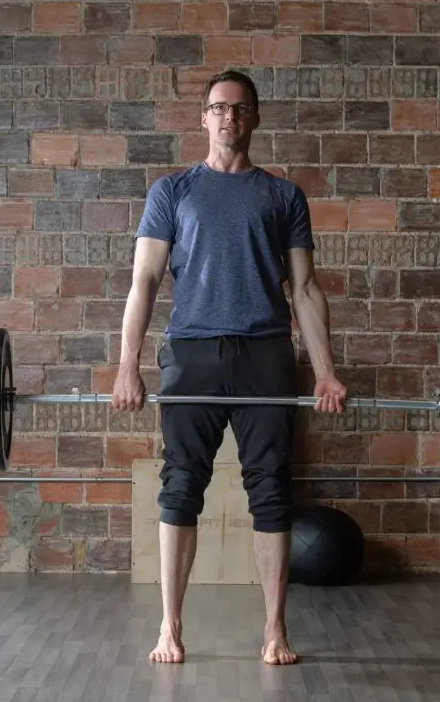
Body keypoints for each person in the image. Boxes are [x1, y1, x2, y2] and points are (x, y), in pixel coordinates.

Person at [110, 70, 347, 666]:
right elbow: (143, 281)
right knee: (181, 485)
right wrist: (127, 366)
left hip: (265, 354)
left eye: (240, 109)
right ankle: (170, 627)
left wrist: (324, 371)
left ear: (255, 117)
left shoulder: (283, 196)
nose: (229, 118)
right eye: (218, 108)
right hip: (191, 354)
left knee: (270, 488)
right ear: (203, 117)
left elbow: (304, 289)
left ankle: (274, 630)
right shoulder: (172, 191)